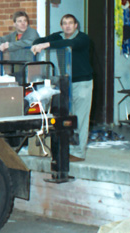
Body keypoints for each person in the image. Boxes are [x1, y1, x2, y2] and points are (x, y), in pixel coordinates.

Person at [31, 14, 93, 162]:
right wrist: (38, 43)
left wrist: (46, 45)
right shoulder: (58, 37)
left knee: (80, 118)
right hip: (66, 82)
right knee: (67, 117)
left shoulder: (82, 38)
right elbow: (39, 41)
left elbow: (71, 43)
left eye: (70, 23)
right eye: (64, 23)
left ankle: (79, 153)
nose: (68, 26)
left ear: (76, 25)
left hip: (82, 82)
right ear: (61, 26)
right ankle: (68, 149)